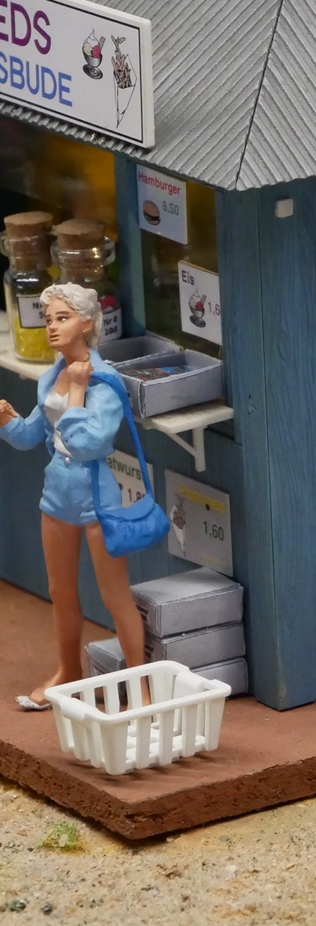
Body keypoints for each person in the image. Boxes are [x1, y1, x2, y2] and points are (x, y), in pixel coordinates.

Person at [0, 283, 144, 711]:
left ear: (86, 322)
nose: (52, 327)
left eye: (62, 318)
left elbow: (88, 444)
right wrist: (7, 421)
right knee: (60, 591)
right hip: (57, 494)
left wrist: (78, 392)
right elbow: (34, 435)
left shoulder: (104, 381)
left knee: (115, 596)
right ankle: (69, 671)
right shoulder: (51, 376)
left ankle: (140, 683)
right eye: (48, 319)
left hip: (96, 499)